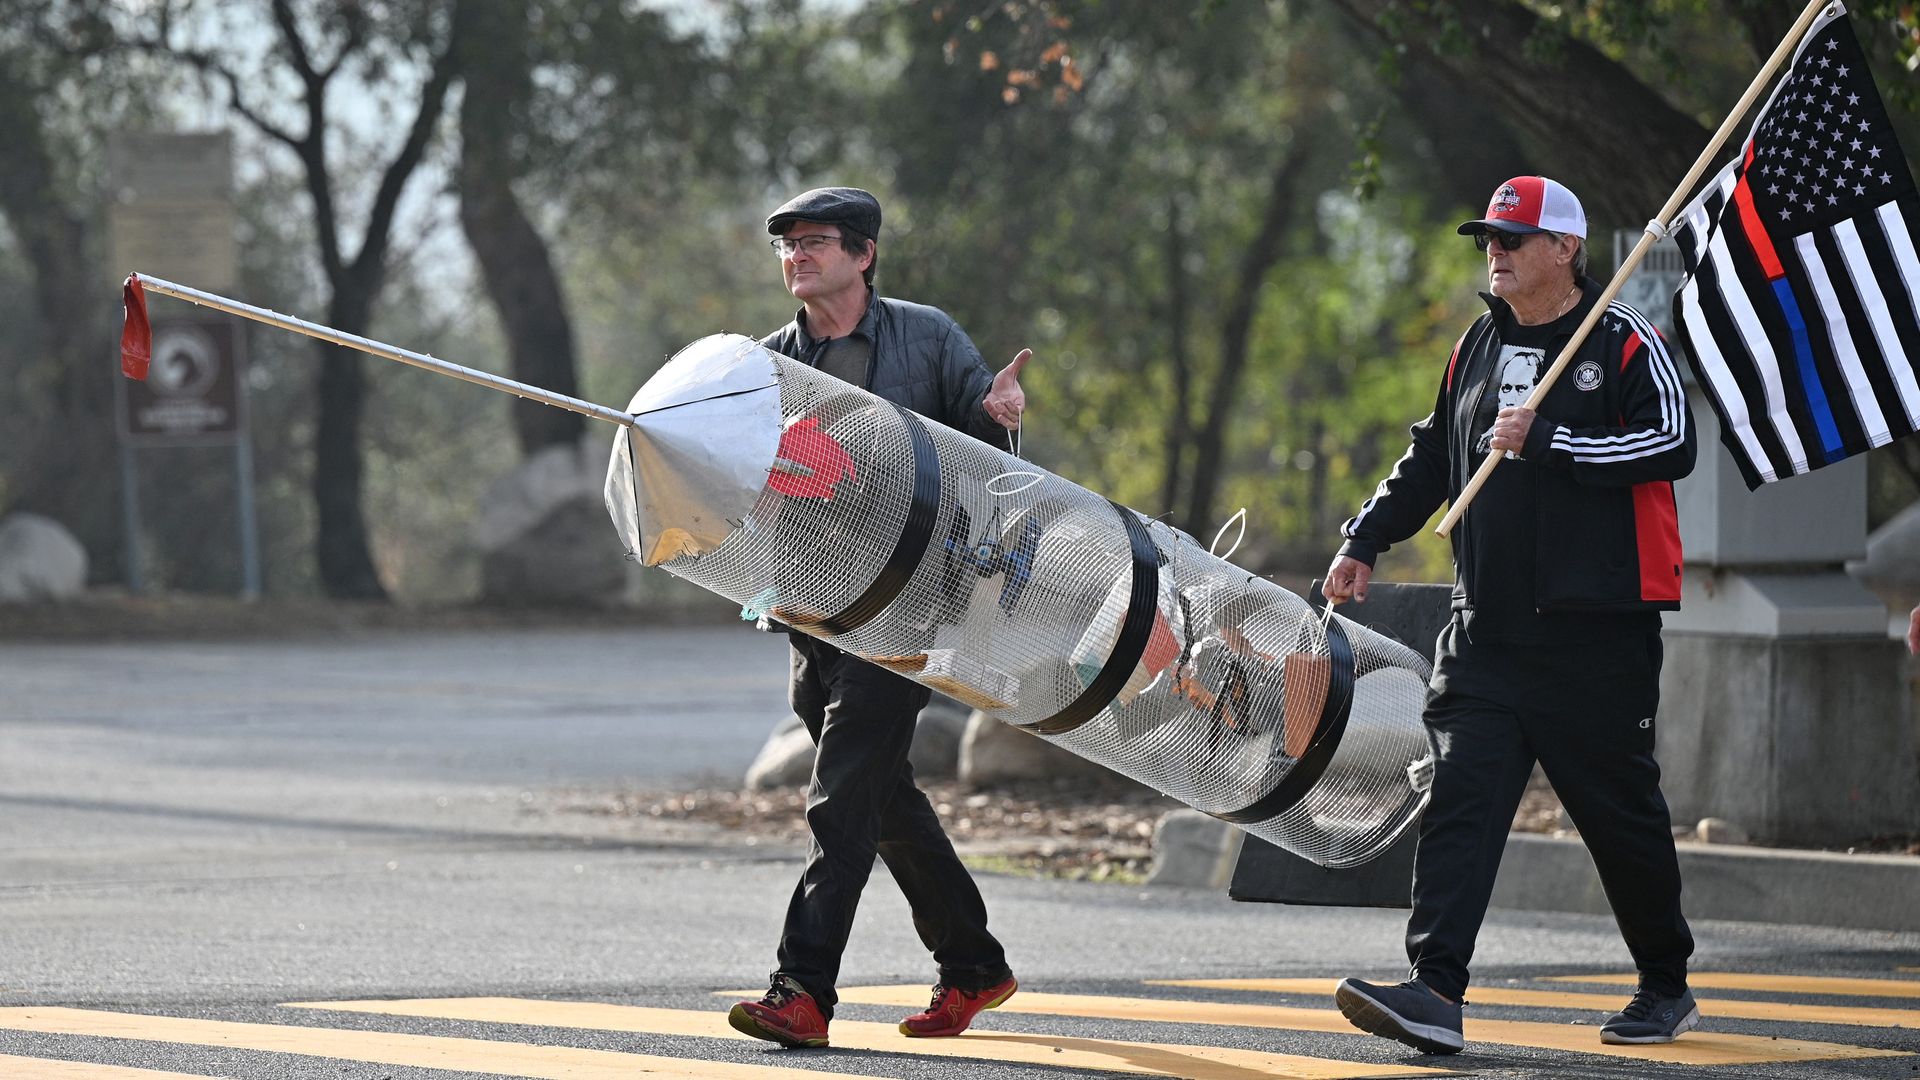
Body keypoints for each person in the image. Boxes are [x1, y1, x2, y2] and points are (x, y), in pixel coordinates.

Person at [1322, 176, 1701, 1055]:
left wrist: (1556, 441)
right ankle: (1434, 991)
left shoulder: (1621, 340)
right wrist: (1364, 540)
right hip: (1484, 628)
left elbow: (1672, 443)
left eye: (1513, 237)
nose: (1494, 250)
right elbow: (1429, 455)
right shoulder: (1477, 344)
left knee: (1617, 814)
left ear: (1564, 251)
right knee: (1460, 800)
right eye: (1489, 237)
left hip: (1595, 635)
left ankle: (1665, 983)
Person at [727, 186, 1027, 1049]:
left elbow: (989, 445)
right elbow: (743, 482)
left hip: (907, 604)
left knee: (838, 798)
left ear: (863, 255)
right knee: (879, 793)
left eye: (815, 242)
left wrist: (999, 412)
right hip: (810, 607)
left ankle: (803, 991)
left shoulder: (926, 336)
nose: (797, 257)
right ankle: (975, 965)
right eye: (785, 244)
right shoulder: (766, 364)